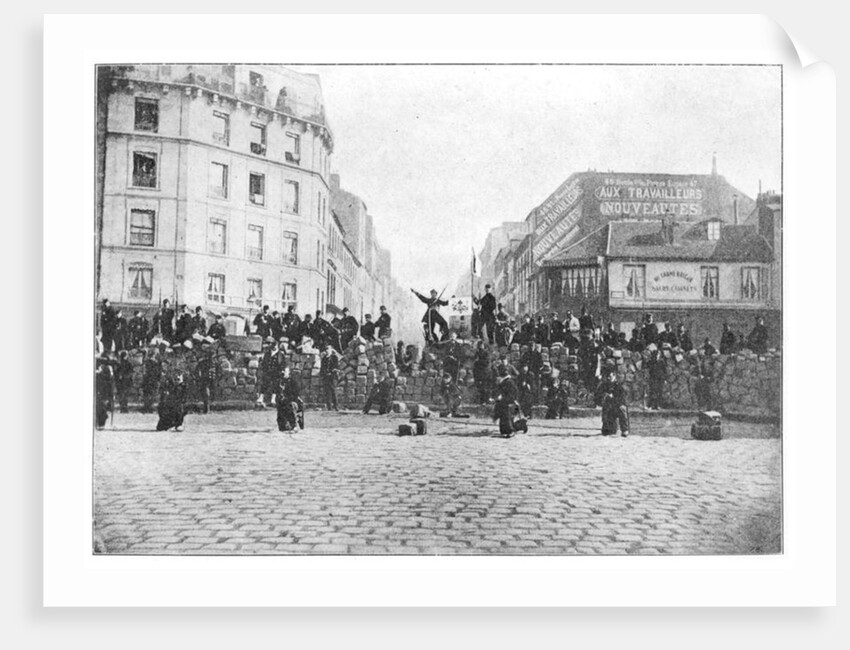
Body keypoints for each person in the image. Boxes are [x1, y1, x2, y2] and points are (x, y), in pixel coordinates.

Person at [493, 365, 527, 437]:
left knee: (504, 409)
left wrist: (502, 399)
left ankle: (509, 430)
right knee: (501, 407)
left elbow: (513, 396)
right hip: (508, 402)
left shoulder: (509, 382)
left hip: (511, 403)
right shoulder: (504, 381)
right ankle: (517, 426)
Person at [595, 368, 629, 437]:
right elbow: (597, 398)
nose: (608, 378)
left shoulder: (619, 386)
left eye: (610, 376)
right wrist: (603, 397)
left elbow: (623, 400)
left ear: (614, 376)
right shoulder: (603, 386)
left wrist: (613, 398)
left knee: (622, 409)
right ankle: (608, 427)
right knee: (608, 432)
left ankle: (624, 430)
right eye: (607, 377)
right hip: (608, 409)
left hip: (617, 408)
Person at [275, 365, 304, 432]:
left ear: (289, 373)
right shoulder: (280, 381)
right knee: (282, 428)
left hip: (292, 401)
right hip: (282, 403)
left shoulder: (293, 382)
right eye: (283, 371)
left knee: (291, 406)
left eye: (285, 371)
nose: (283, 372)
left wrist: (287, 399)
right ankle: (284, 424)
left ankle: (294, 425)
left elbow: (295, 394)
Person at [256, 339, 281, 407]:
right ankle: (261, 398)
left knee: (276, 385)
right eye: (273, 345)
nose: (274, 347)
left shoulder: (280, 354)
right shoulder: (268, 353)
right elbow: (264, 362)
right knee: (264, 383)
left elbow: (282, 364)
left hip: (276, 372)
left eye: (275, 346)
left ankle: (273, 399)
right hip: (268, 372)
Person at [195, 344, 218, 414]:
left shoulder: (215, 363)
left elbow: (220, 371)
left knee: (210, 394)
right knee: (206, 394)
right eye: (209, 355)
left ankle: (208, 407)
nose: (210, 357)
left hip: (213, 380)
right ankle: (207, 408)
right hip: (205, 380)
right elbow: (197, 370)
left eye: (211, 356)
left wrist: (217, 378)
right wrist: (199, 377)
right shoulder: (203, 362)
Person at [95, 355, 114, 429]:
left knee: (102, 406)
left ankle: (100, 423)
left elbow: (111, 381)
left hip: (104, 390)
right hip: (103, 390)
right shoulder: (107, 368)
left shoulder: (106, 369)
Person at [140, 348, 162, 413]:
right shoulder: (155, 363)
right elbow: (158, 371)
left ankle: (146, 407)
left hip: (147, 379)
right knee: (151, 393)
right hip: (152, 379)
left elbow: (144, 371)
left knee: (147, 394)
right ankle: (149, 407)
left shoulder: (146, 362)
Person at [320, 345, 340, 411]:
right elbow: (322, 368)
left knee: (334, 391)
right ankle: (329, 408)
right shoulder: (324, 359)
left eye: (328, 349)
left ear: (331, 350)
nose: (327, 351)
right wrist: (324, 374)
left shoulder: (335, 358)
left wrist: (331, 372)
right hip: (326, 377)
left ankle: (336, 407)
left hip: (333, 377)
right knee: (327, 393)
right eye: (326, 350)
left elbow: (336, 367)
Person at [113, 350, 134, 414]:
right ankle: (124, 407)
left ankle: (123, 407)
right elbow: (131, 372)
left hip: (121, 381)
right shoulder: (128, 363)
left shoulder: (119, 364)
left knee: (121, 395)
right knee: (124, 395)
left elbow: (116, 372)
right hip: (125, 381)